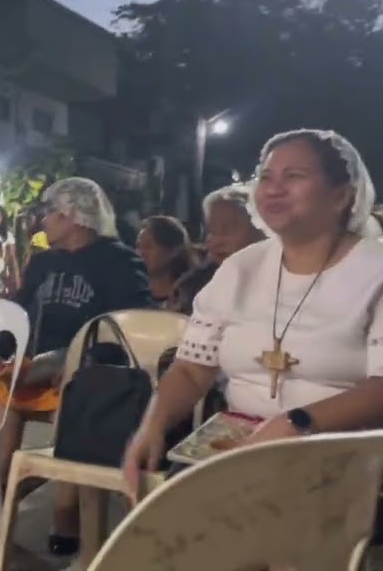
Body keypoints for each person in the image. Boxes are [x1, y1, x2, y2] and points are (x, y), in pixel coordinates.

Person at [124, 130, 383, 496]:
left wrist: (297, 424)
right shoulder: (239, 269)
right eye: (266, 177)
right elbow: (191, 369)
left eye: (294, 176)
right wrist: (154, 422)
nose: (274, 189)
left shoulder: (375, 272)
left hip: (340, 451)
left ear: (341, 196)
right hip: (237, 444)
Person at [0, 177, 153, 555]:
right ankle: (2, 487)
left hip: (94, 368)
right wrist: (0, 349)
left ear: (73, 217)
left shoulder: (118, 261)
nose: (42, 221)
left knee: (76, 386)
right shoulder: (44, 262)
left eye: (49, 213)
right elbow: (20, 309)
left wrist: (93, 358)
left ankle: (66, 512)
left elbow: (135, 320)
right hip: (44, 363)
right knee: (6, 380)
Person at [168, 184, 265, 314]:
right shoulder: (191, 287)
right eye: (211, 230)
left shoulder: (287, 281)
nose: (216, 241)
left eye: (229, 228)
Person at [136, 215, 193, 307]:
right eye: (138, 246)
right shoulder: (133, 294)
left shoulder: (192, 297)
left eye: (148, 246)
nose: (140, 252)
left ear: (173, 250)